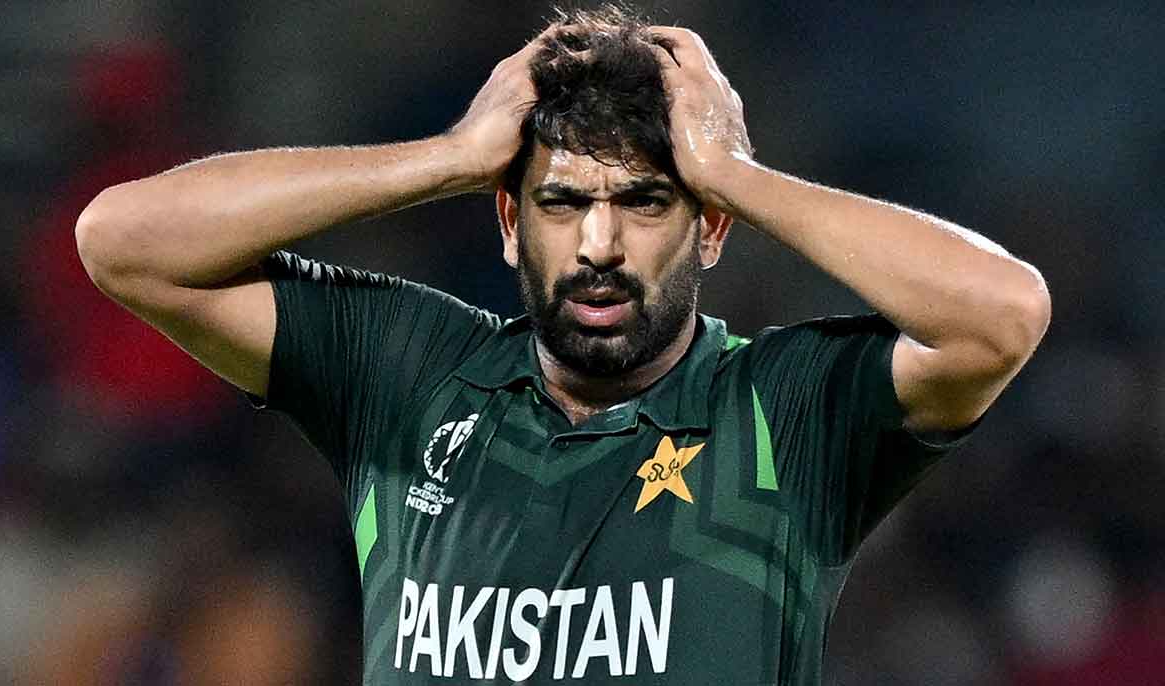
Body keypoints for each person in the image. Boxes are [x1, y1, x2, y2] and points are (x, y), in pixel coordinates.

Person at [75, 8, 1050, 685]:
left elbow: (1001, 311)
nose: (597, 244)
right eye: (561, 201)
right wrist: (449, 157)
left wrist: (732, 169)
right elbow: (123, 241)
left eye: (644, 201)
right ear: (509, 221)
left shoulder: (783, 408)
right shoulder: (412, 371)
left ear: (708, 229)